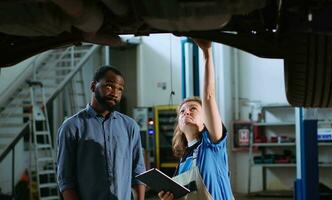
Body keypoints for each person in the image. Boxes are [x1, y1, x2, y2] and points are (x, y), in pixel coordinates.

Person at [158, 39, 234, 200]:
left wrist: (207, 54)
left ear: (205, 119)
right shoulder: (182, 163)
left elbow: (208, 96)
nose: (186, 112)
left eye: (193, 109)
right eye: (182, 111)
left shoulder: (212, 145)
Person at [56, 66, 146, 200]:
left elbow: (138, 173)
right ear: (93, 86)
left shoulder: (130, 126)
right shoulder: (72, 127)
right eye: (109, 86)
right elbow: (65, 180)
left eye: (120, 89)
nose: (115, 93)